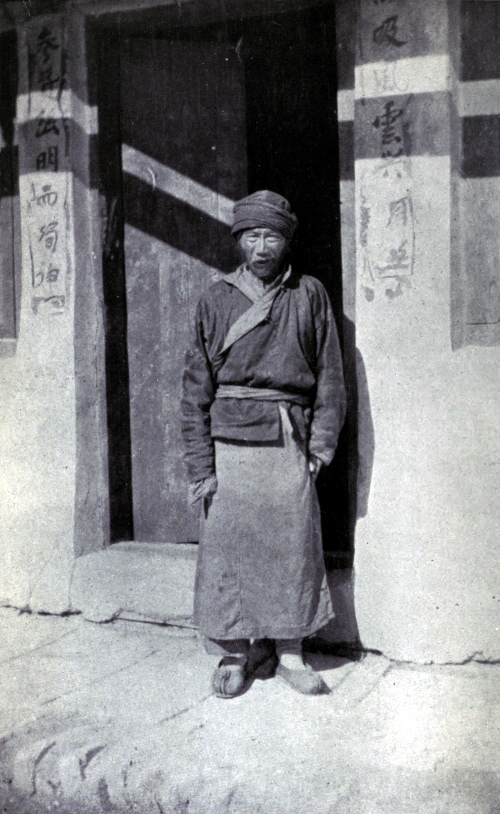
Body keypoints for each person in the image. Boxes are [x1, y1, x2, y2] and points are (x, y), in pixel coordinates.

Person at [181, 190, 346, 698]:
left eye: (271, 235)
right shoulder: (216, 299)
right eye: (251, 235)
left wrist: (320, 445)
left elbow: (331, 376)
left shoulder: (309, 294)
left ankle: (290, 650)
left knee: (292, 544)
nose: (261, 246)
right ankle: (235, 651)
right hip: (228, 444)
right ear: (239, 240)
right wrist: (201, 466)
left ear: (285, 240)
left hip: (287, 436)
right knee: (227, 547)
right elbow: (194, 392)